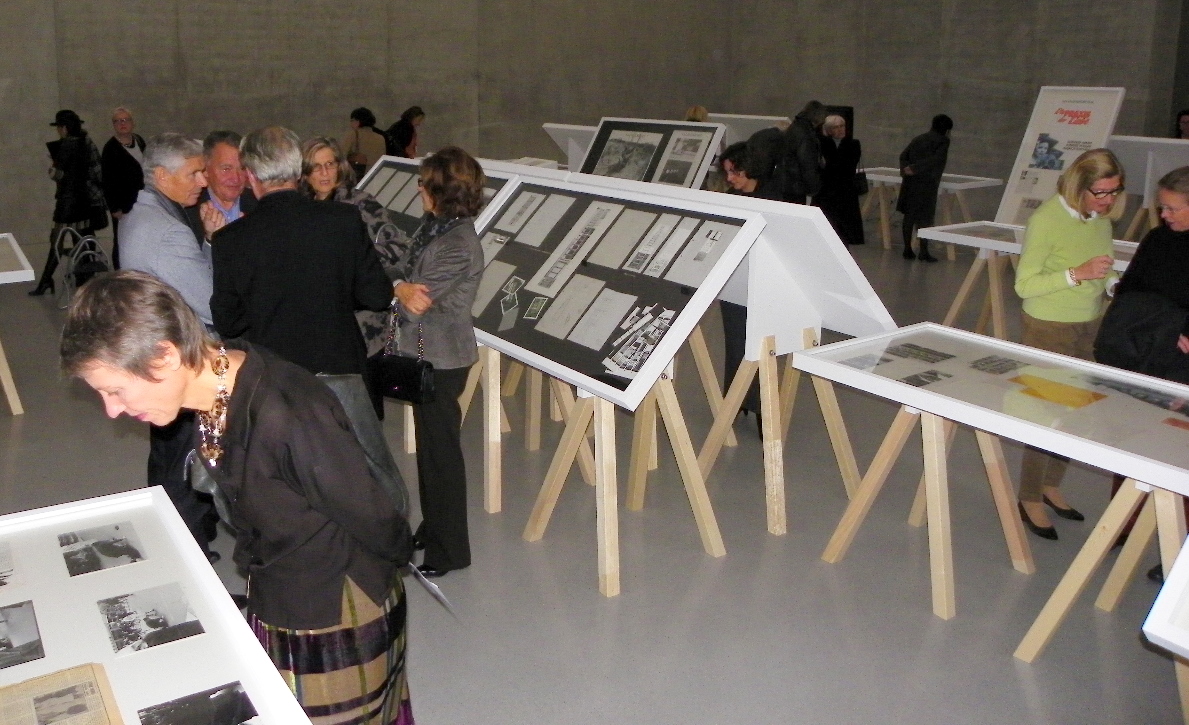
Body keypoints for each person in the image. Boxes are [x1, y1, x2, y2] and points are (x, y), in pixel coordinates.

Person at [61, 271, 414, 723]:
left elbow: (375, 515)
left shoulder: (286, 414)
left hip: (333, 608)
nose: (112, 409)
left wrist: (395, 562)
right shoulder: (217, 390)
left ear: (165, 355)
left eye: (115, 390)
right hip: (278, 592)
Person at [211, 126, 394, 377]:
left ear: (250, 175)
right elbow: (378, 296)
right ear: (299, 171)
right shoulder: (343, 219)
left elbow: (228, 323)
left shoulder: (229, 240)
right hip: (340, 369)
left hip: (275, 376)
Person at [120, 132, 223, 560]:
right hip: (179, 359)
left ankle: (174, 540)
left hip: (154, 351)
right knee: (185, 462)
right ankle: (190, 556)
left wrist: (206, 240)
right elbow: (211, 301)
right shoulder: (167, 231)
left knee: (167, 456)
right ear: (162, 175)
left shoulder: (140, 215)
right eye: (194, 172)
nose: (203, 180)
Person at [1013, 148, 1124, 540]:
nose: (1108, 200)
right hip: (1049, 325)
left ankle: (1050, 484)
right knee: (1045, 411)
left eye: (1114, 191)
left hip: (1088, 322)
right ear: (1079, 186)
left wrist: (1113, 285)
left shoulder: (1099, 217)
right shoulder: (1046, 220)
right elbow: (1024, 285)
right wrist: (1076, 274)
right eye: (1101, 192)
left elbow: (1104, 267)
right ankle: (1029, 496)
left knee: (1075, 410)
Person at [392, 147, 485, 577]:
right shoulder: (437, 228)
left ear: (441, 191)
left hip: (443, 360)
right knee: (431, 452)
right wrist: (399, 284)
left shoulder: (457, 244)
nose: (419, 190)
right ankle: (433, 528)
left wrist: (394, 288)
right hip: (428, 354)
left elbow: (415, 304)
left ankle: (450, 552)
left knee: (441, 456)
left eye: (425, 183)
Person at [1094, 165, 1189, 580]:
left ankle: (1179, 548)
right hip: (1142, 353)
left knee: (1180, 451)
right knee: (1129, 435)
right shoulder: (1157, 238)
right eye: (1161, 207)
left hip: (1181, 365)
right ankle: (1124, 522)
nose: (1164, 216)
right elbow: (1131, 287)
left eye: (1172, 209)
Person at [299, 136, 410, 364]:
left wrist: (357, 260)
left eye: (330, 164)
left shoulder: (360, 203)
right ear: (306, 173)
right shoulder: (301, 207)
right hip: (318, 320)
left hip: (362, 323)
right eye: (316, 167)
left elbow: (398, 245)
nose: (324, 173)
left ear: (340, 166)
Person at [716, 142, 780, 425]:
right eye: (727, 173)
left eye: (735, 172)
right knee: (735, 343)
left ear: (750, 169)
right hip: (735, 283)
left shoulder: (774, 197)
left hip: (764, 283)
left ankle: (761, 408)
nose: (730, 178)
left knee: (760, 346)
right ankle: (736, 400)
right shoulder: (732, 197)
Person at [30, 110, 106, 296]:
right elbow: (97, 173)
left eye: (59, 127)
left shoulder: (65, 146)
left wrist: (51, 168)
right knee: (83, 240)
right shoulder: (86, 143)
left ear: (64, 128)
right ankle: (83, 280)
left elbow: (59, 175)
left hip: (67, 202)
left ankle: (46, 281)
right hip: (84, 201)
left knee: (57, 241)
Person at [897, 114, 952, 262]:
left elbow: (903, 155)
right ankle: (923, 251)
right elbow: (935, 160)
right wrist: (915, 168)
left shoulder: (919, 138)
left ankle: (907, 249)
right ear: (947, 130)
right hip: (927, 184)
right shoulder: (943, 141)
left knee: (909, 216)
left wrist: (906, 169)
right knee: (925, 218)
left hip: (910, 183)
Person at [184, 131, 257, 237]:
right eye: (226, 169)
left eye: (242, 168)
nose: (236, 178)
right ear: (205, 169)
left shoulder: (260, 205)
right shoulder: (188, 209)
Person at [99, 106, 145, 269]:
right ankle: (120, 274)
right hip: (123, 204)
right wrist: (114, 208)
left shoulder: (139, 141)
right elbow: (107, 181)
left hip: (142, 200)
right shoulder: (110, 149)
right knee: (122, 240)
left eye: (125, 120)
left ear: (132, 122)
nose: (122, 124)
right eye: (117, 121)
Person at [815, 114, 865, 246]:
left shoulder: (853, 144)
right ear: (829, 130)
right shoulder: (823, 143)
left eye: (842, 126)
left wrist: (830, 163)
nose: (840, 129)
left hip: (846, 193)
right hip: (826, 192)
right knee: (825, 227)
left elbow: (845, 166)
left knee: (844, 232)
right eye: (835, 127)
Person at [780, 100, 825, 204]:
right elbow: (807, 163)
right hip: (796, 187)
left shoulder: (794, 127)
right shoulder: (806, 134)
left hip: (786, 183)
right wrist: (814, 188)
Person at [344, 107, 388, 175]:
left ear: (357, 122)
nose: (351, 123)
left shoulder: (353, 134)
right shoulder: (380, 138)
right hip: (374, 174)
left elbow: (341, 155)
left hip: (357, 174)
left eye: (352, 120)